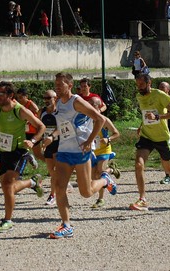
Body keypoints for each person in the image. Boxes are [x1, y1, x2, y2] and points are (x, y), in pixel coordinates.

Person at [50, 72, 117, 239]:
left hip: (81, 152)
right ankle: (66, 225)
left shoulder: (77, 102)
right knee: (59, 188)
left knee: (86, 193)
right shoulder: (59, 102)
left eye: (60, 84)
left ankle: (104, 180)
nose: (57, 87)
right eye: (56, 84)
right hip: (65, 151)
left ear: (70, 85)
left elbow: (100, 119)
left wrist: (89, 141)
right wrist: (53, 137)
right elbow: (64, 126)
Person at [0, 81, 45, 233]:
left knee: (8, 184)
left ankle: (7, 220)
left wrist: (33, 141)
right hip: (4, 151)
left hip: (19, 151)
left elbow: (41, 126)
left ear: (10, 95)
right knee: (8, 188)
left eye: (1, 93)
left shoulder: (20, 110)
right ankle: (32, 182)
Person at [129, 73, 170, 212]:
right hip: (147, 136)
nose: (139, 87)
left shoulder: (160, 94)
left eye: (141, 84)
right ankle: (142, 199)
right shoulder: (139, 96)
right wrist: (141, 125)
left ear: (149, 83)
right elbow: (146, 114)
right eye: (137, 85)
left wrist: (157, 116)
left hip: (162, 137)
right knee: (138, 164)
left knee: (169, 169)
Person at [89, 96, 121, 209]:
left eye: (92, 105)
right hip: (92, 151)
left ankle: (100, 199)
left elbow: (117, 133)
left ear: (98, 107)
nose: (89, 108)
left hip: (104, 150)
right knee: (93, 177)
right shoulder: (86, 119)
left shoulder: (105, 120)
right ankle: (112, 169)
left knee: (99, 173)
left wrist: (109, 139)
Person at [39, 89, 59, 206]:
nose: (46, 100)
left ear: (55, 98)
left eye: (49, 98)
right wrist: (41, 140)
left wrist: (52, 136)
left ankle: (53, 195)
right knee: (51, 171)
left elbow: (63, 126)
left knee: (56, 171)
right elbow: (40, 126)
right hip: (48, 144)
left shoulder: (60, 111)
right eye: (44, 98)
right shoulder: (42, 112)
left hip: (59, 143)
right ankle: (61, 185)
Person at [16, 87, 42, 162]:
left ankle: (52, 166)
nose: (19, 100)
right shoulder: (18, 105)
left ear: (26, 96)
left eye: (21, 97)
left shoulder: (31, 105)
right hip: (23, 131)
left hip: (33, 132)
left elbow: (39, 116)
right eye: (18, 98)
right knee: (20, 150)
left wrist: (30, 120)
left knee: (38, 154)